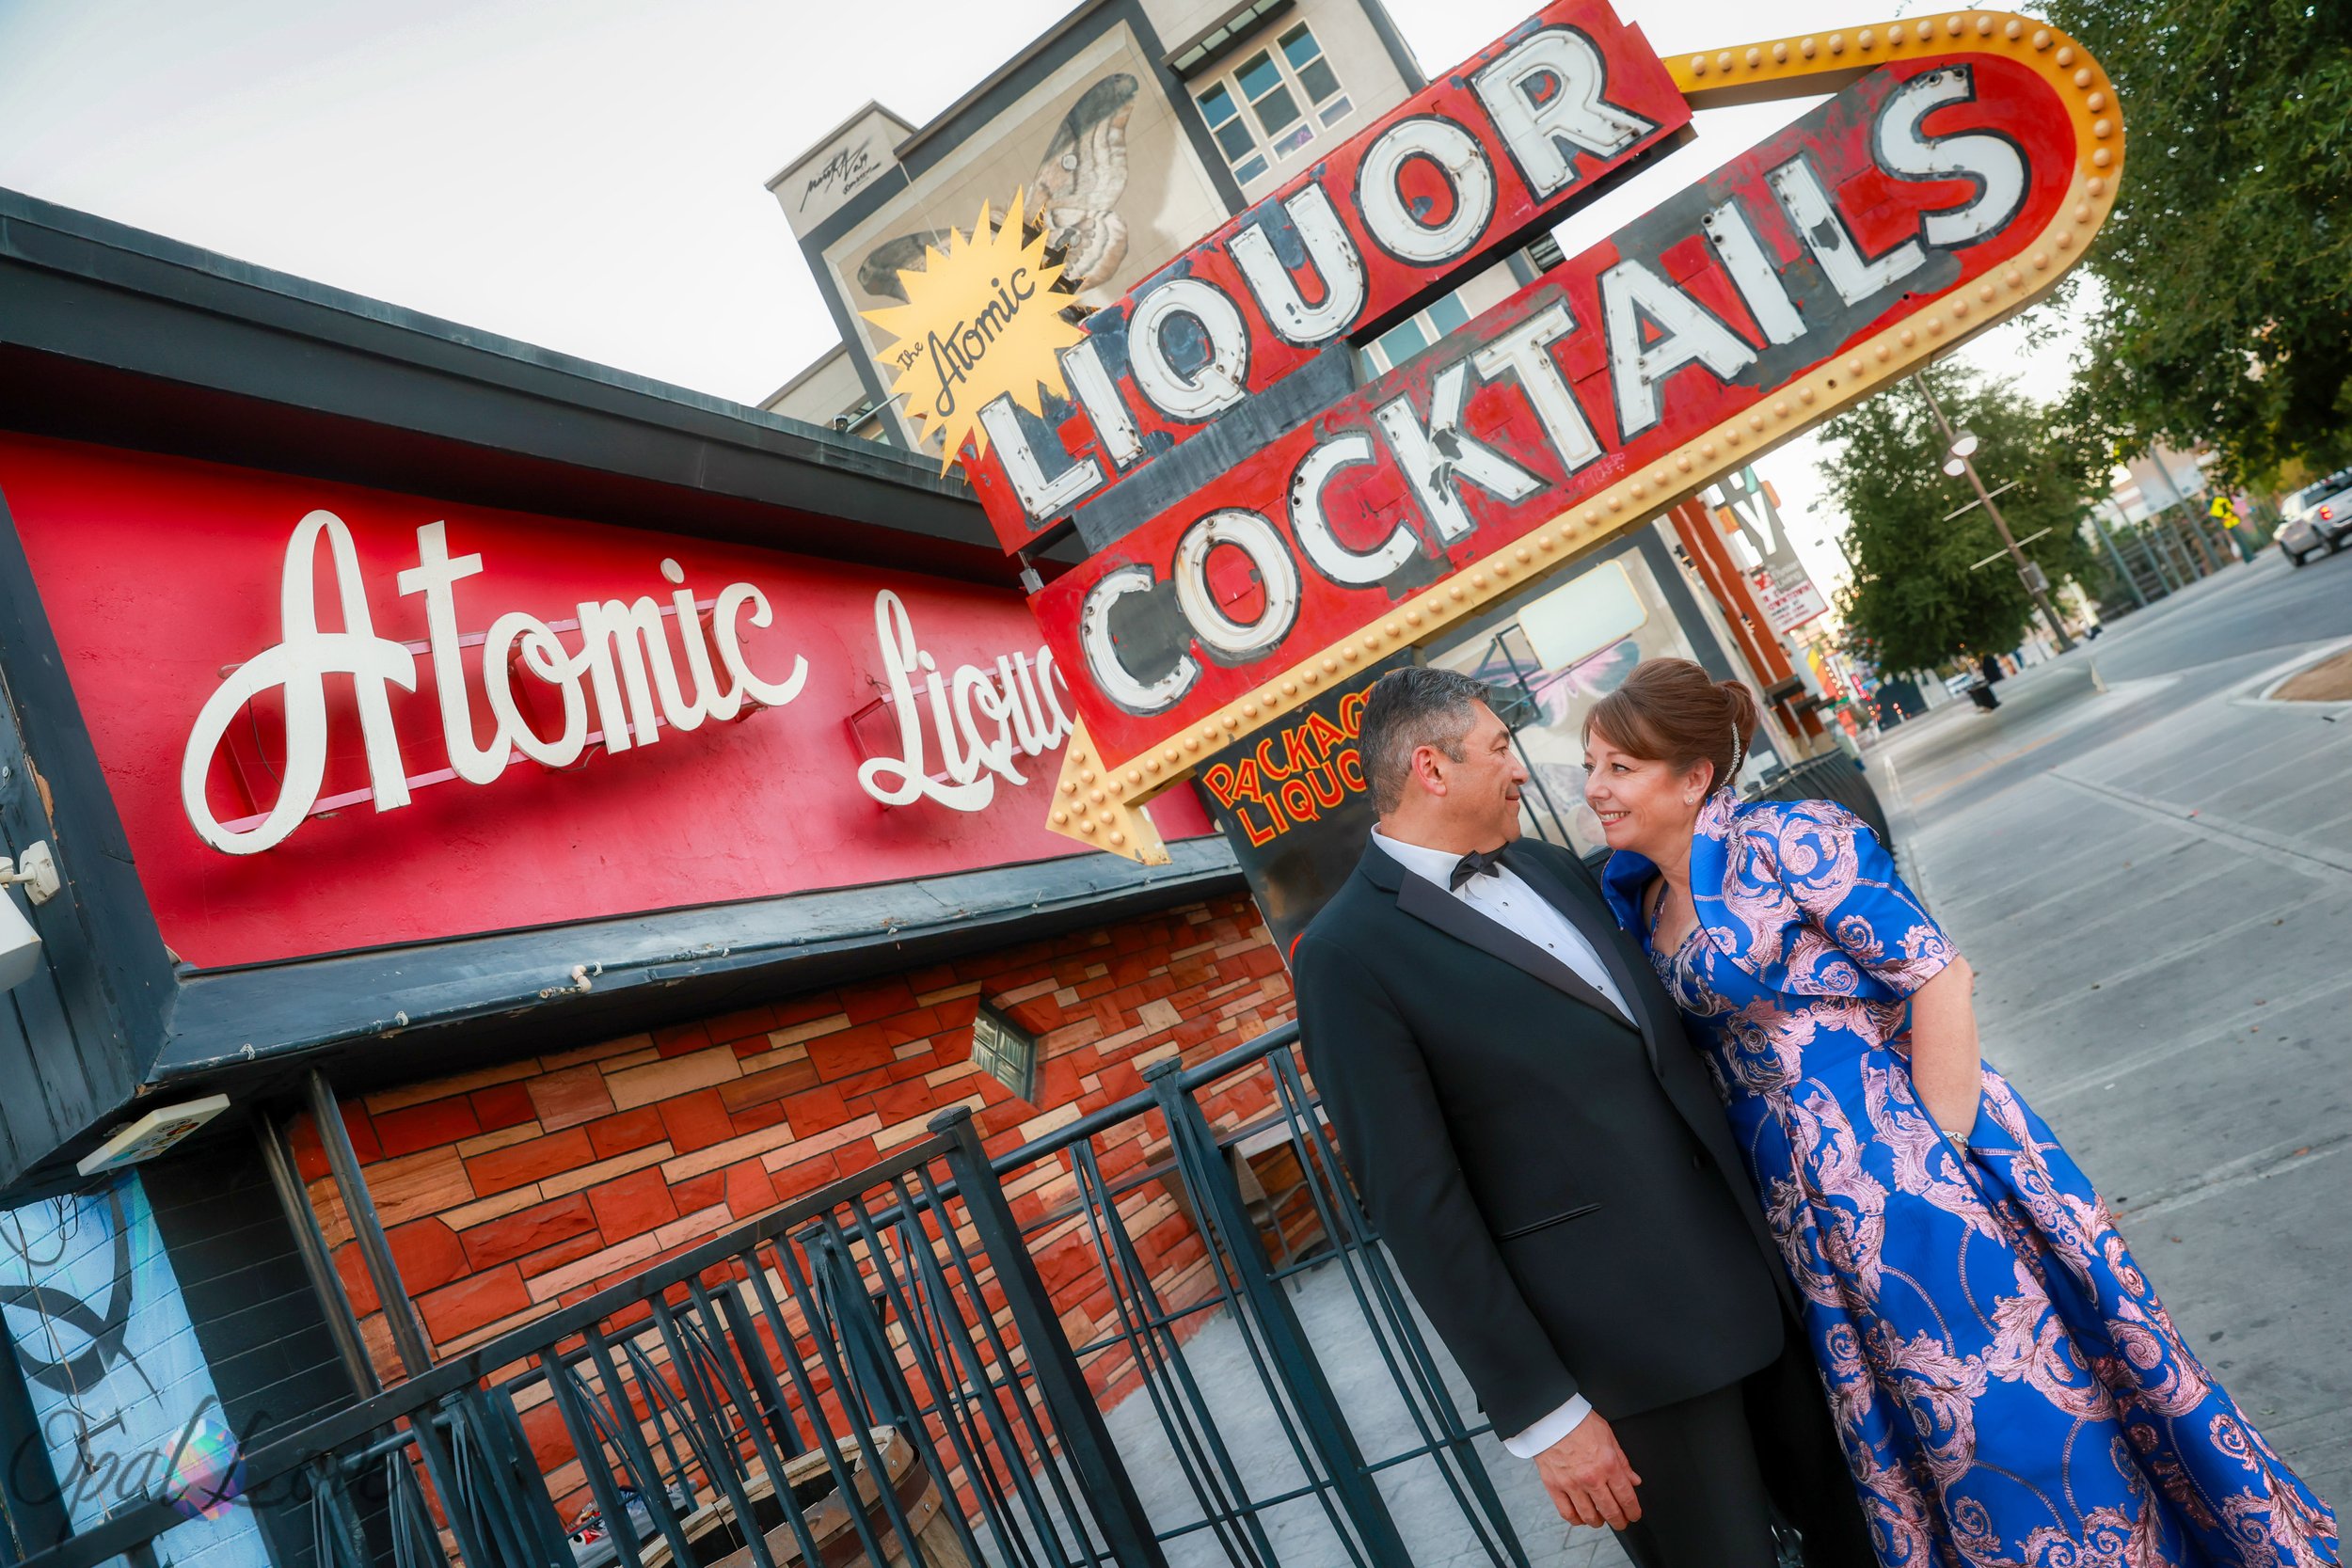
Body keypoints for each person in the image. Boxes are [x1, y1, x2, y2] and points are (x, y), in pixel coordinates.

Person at [1582, 657, 2337, 1565]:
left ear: (1694, 775)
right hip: (1809, 1215)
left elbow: (1939, 973)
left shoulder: (1787, 839)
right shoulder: (1643, 899)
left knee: (2011, 1409)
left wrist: (1927, 1162)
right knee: (1927, 1437)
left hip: (1911, 1173)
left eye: (1618, 767)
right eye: (1592, 767)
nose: (1595, 790)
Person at [1292, 666, 1876, 1568]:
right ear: (1431, 768)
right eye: (1498, 748)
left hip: (1760, 1297)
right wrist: (1543, 1413)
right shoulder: (1344, 955)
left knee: (1862, 1543)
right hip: (1628, 1369)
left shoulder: (1552, 867)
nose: (1522, 769)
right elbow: (1418, 1206)